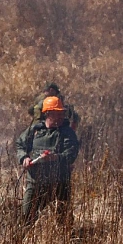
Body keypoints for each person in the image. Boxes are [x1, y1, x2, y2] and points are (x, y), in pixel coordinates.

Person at [16, 96, 79, 227]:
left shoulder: (67, 133)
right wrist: (24, 158)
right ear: (48, 114)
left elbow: (71, 154)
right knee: (25, 219)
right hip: (35, 183)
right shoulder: (35, 130)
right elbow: (20, 145)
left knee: (64, 223)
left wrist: (55, 158)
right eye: (57, 113)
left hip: (60, 183)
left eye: (62, 113)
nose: (61, 116)